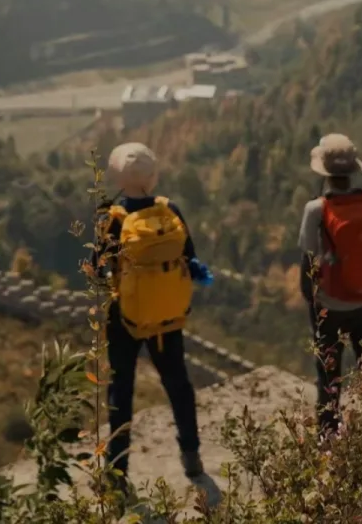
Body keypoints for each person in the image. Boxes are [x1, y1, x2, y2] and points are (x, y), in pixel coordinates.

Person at [96, 142, 214, 489]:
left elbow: (97, 269)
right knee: (178, 384)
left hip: (125, 317)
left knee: (122, 391)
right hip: (166, 316)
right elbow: (190, 258)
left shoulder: (111, 216)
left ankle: (118, 473)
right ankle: (191, 457)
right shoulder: (169, 210)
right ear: (153, 175)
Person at [298, 134, 362, 435]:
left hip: (332, 304)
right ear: (353, 170)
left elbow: (308, 263)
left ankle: (328, 432)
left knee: (329, 373)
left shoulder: (316, 209)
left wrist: (313, 303)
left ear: (323, 172)